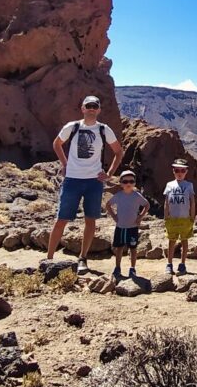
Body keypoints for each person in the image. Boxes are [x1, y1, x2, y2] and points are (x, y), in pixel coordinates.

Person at [47, 95, 124, 275]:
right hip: (72, 180)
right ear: (82, 108)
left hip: (94, 181)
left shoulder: (104, 130)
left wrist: (109, 174)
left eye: (94, 106)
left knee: (90, 220)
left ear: (98, 110)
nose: (91, 108)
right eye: (88, 105)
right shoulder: (72, 127)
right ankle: (48, 259)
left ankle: (82, 258)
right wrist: (65, 164)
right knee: (61, 220)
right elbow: (57, 144)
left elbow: (118, 152)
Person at [105, 170, 150, 279]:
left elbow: (146, 205)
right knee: (119, 248)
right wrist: (114, 217)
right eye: (125, 181)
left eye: (131, 181)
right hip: (120, 226)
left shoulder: (137, 195)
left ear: (134, 183)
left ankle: (132, 268)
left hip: (132, 227)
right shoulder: (119, 195)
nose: (128, 184)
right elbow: (108, 205)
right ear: (121, 183)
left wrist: (140, 217)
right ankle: (117, 268)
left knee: (133, 248)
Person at [163, 158, 197, 274]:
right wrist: (166, 215)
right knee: (171, 241)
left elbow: (192, 201)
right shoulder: (169, 185)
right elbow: (167, 201)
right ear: (173, 171)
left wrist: (192, 216)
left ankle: (182, 264)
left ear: (186, 171)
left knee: (184, 241)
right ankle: (169, 263)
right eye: (177, 170)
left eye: (182, 170)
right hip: (172, 218)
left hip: (185, 218)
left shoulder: (189, 185)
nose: (180, 173)